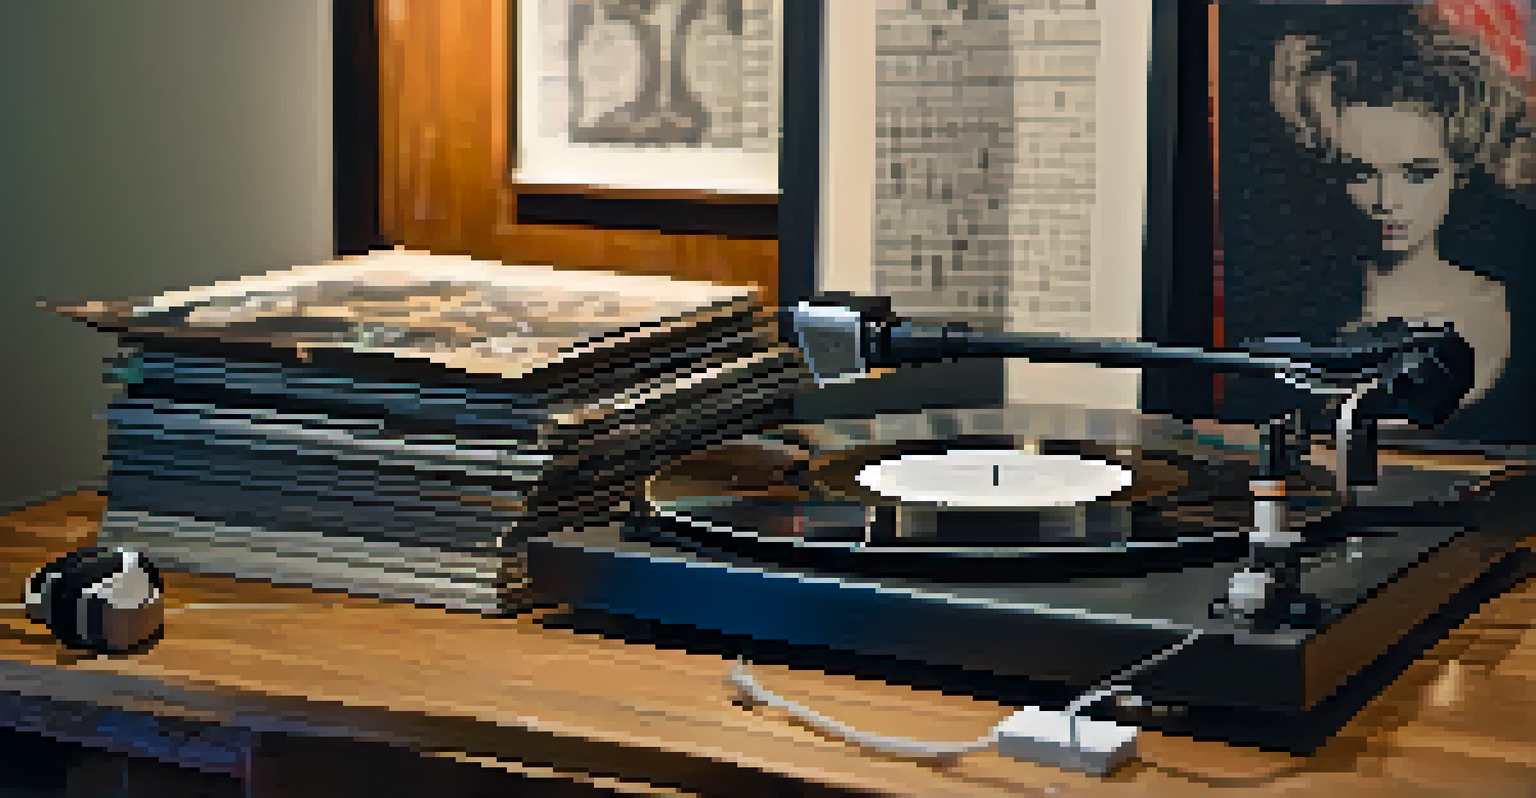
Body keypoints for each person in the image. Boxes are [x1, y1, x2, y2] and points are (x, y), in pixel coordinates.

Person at [1225, 8, 1535, 443]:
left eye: (1418, 173)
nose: (1387, 203)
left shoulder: (1519, 310)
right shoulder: (1291, 324)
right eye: (1360, 173)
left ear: (1457, 170)